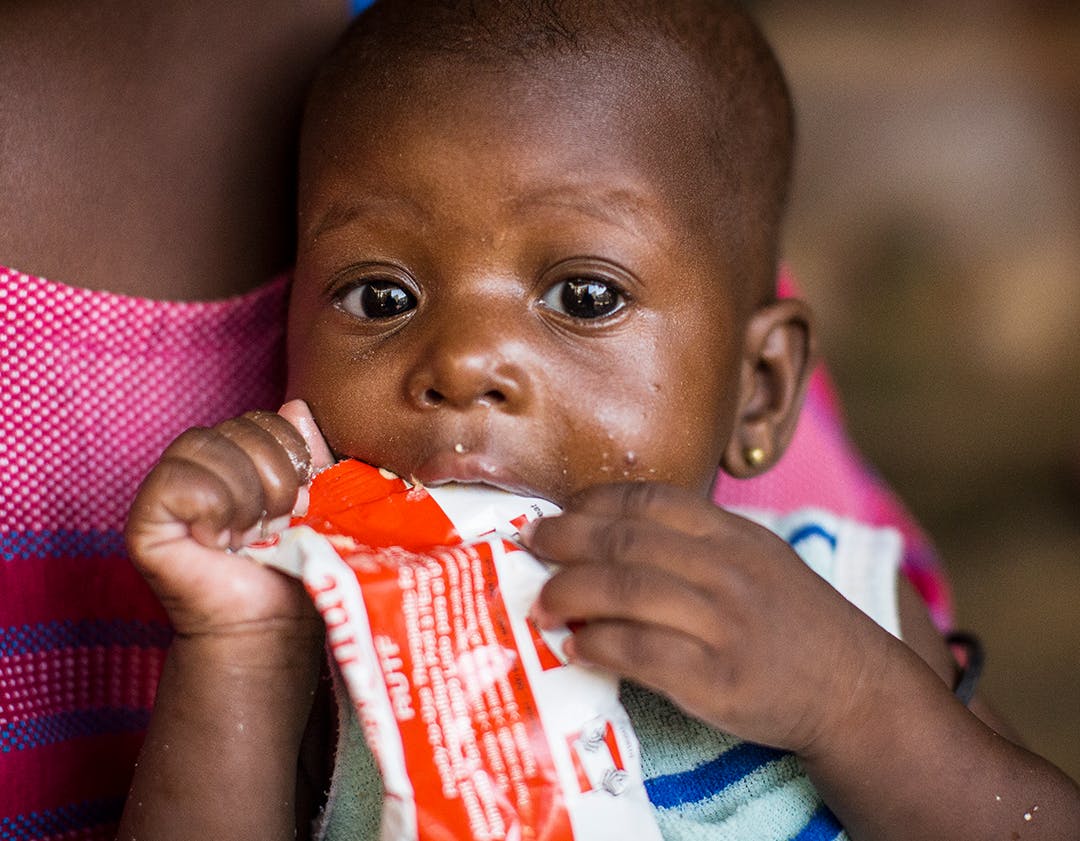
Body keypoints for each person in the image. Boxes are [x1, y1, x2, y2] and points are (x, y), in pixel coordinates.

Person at [116, 1, 1080, 839]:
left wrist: (852, 703)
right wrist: (238, 650)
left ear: (762, 387)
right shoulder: (333, 646)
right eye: (380, 296)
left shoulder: (841, 594)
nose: (462, 364)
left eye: (584, 294)